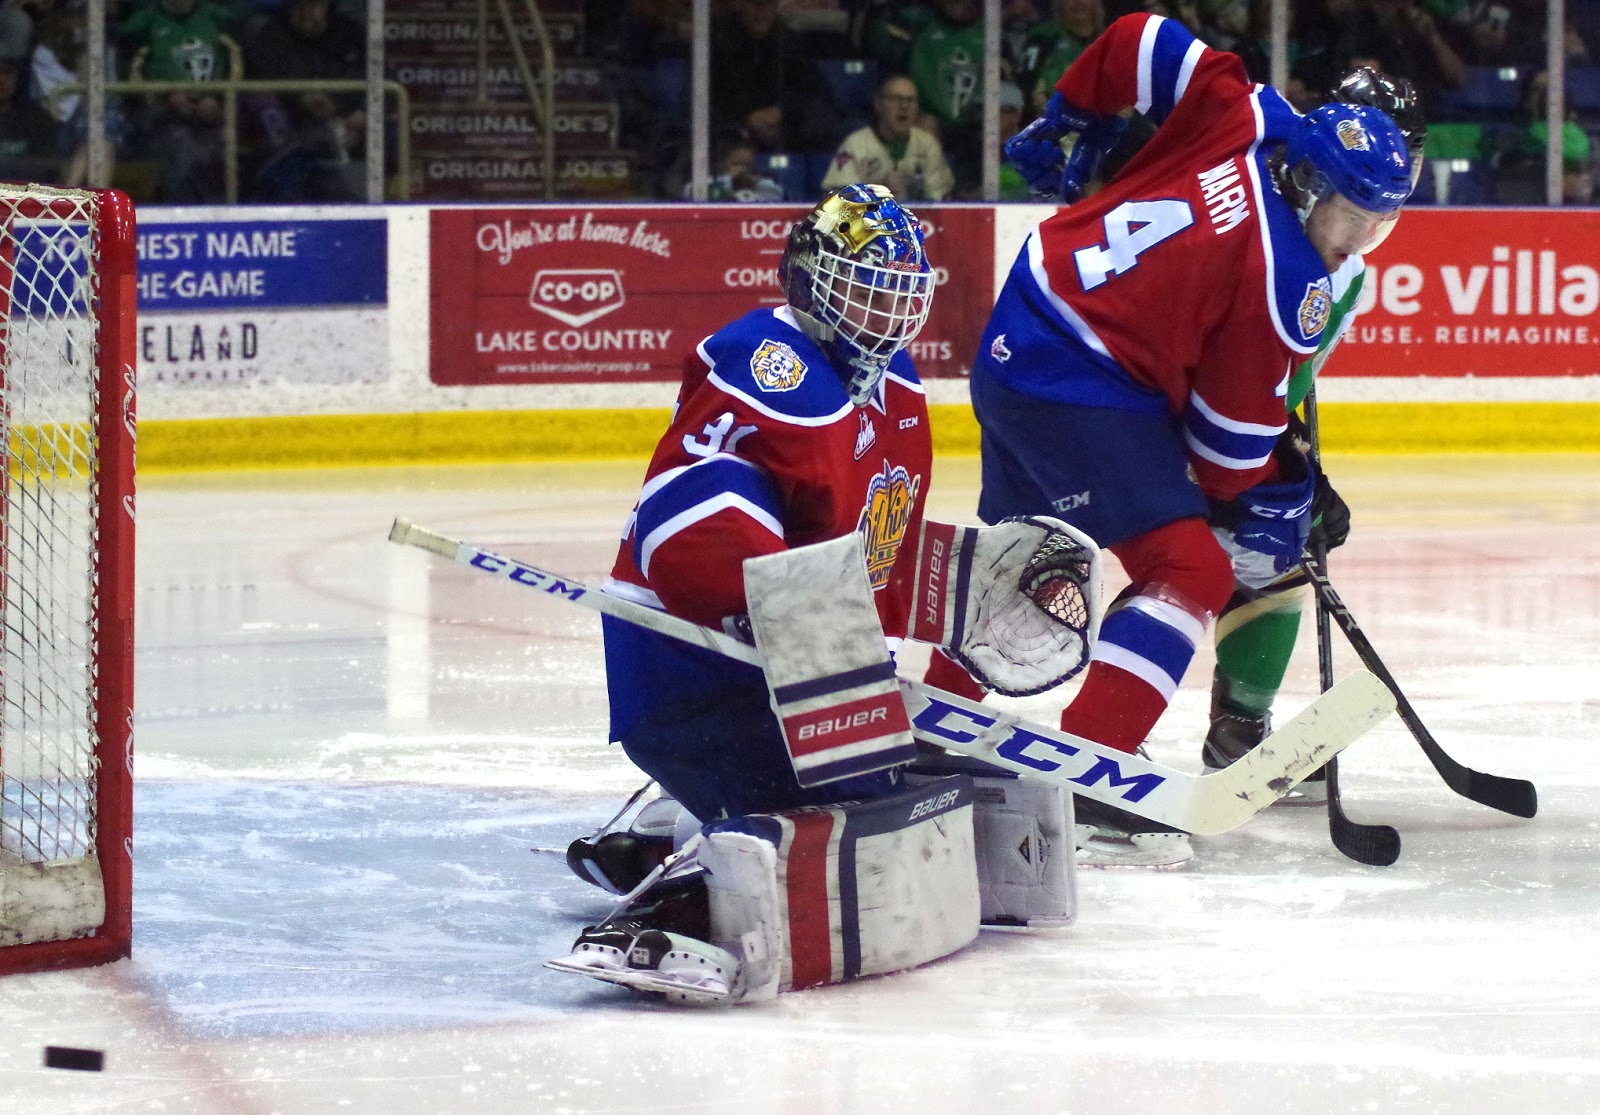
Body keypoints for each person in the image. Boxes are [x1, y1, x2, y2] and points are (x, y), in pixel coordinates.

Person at [547, 184, 1092, 1003]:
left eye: (900, 297)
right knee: (855, 799)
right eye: (867, 292)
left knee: (888, 784)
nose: (887, 316)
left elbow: (875, 556)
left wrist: (960, 596)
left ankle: (675, 824)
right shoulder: (770, 362)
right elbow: (684, 527)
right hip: (689, 666)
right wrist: (781, 615)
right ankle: (679, 894)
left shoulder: (897, 388)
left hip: (775, 666)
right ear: (810, 280)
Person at [926, 12, 1414, 866]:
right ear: (1309, 186)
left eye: (1372, 225)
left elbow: (1140, 39)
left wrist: (1077, 114)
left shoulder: (1256, 113)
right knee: (1193, 566)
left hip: (1022, 330)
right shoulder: (1287, 277)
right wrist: (1287, 484)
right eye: (1347, 217)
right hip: (1080, 383)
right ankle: (1098, 769)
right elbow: (1226, 457)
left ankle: (932, 723)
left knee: (1019, 555)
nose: (1352, 241)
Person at [1202, 67, 1427, 801]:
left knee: (1274, 544)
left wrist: (1289, 451)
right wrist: (1284, 457)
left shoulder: (1342, 250)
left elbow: (1278, 378)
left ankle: (1235, 731)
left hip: (1227, 419)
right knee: (1206, 557)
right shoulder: (1266, 226)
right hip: (1170, 416)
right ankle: (1189, 731)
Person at [238, 0, 367, 202]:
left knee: (388, 131)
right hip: (290, 127)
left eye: (314, 5)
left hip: (346, 121)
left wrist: (360, 113)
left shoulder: (350, 32)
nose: (306, 13)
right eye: (300, 6)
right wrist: (303, 95)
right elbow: (268, 73)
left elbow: (380, 78)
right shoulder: (268, 31)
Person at [119, 0, 243, 202]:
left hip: (216, 112)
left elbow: (236, 63)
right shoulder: (140, 25)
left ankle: (223, 213)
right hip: (161, 116)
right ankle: (183, 213)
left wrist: (219, 97)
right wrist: (166, 97)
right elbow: (130, 75)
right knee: (180, 145)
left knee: (224, 144)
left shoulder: (221, 18)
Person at [821, 73, 955, 201]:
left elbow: (941, 199)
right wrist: (876, 191)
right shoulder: (856, 144)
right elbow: (835, 199)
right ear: (879, 104)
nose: (904, 106)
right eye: (896, 99)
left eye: (910, 100)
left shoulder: (927, 144)